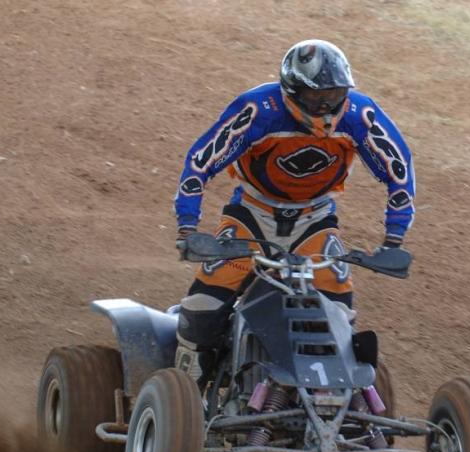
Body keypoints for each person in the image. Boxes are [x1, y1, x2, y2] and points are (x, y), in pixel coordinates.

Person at [173, 40, 416, 383]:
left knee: (339, 316)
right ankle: (184, 389)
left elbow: (399, 169)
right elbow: (200, 161)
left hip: (314, 220)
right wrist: (187, 227)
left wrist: (394, 239)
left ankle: (338, 399)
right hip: (251, 216)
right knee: (202, 308)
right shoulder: (259, 109)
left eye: (335, 95)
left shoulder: (360, 115)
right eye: (317, 97)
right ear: (292, 92)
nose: (327, 106)